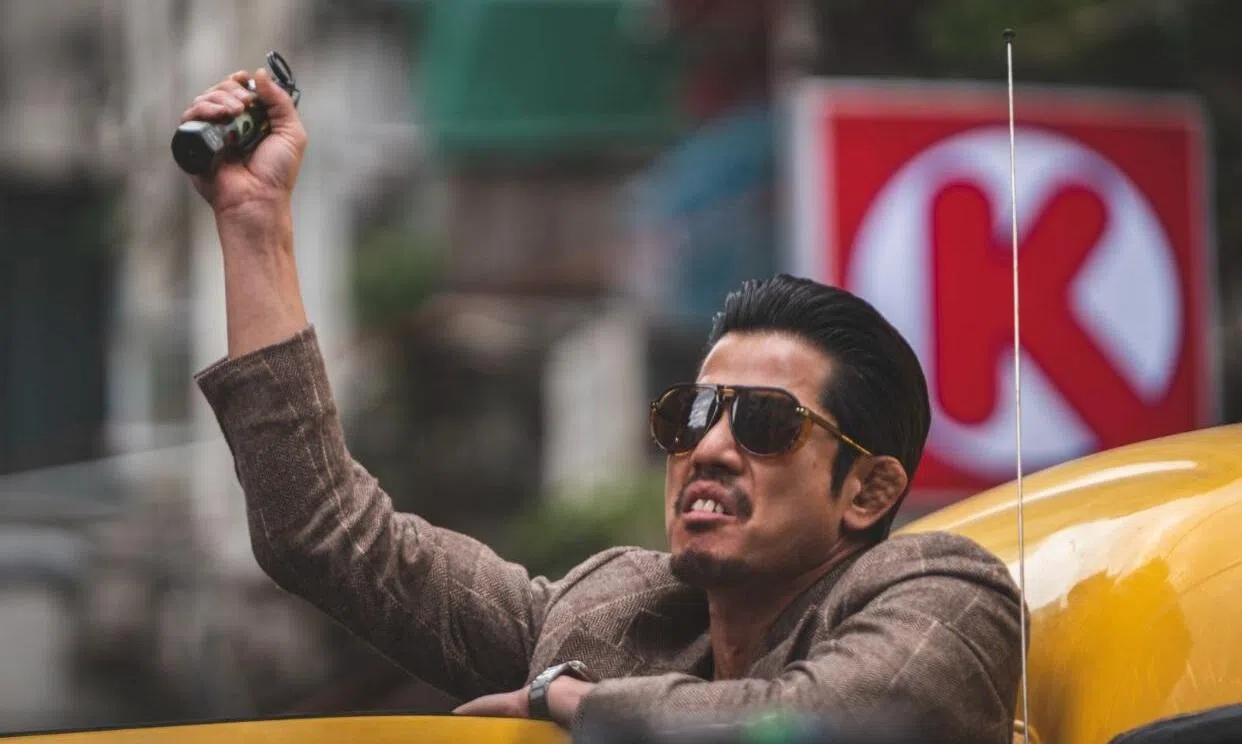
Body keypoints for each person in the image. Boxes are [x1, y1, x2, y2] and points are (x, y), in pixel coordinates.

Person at [182, 68, 1023, 742]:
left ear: (868, 492)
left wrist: (575, 704)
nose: (710, 448)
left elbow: (830, 724)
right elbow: (323, 534)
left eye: (766, 423)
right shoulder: (614, 613)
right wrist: (255, 224)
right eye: (693, 415)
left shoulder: (944, 591)